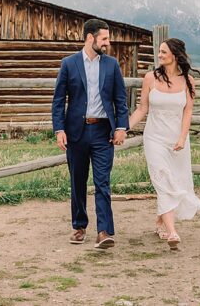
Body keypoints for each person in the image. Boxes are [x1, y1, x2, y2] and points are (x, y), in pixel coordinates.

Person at [52, 19, 129, 250]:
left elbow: (120, 99)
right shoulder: (69, 64)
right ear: (89, 38)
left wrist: (121, 127)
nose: (107, 43)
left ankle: (104, 231)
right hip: (76, 131)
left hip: (103, 132)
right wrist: (59, 130)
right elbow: (58, 100)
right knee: (77, 181)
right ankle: (79, 226)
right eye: (104, 38)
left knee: (102, 182)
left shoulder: (112, 65)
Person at [128, 37, 200, 250]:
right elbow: (142, 109)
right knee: (163, 180)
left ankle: (161, 220)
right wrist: (123, 128)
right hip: (154, 138)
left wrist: (182, 137)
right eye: (159, 52)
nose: (159, 55)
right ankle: (172, 232)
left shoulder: (188, 81)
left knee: (177, 181)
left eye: (163, 52)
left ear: (175, 55)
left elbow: (188, 111)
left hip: (177, 140)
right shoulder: (150, 78)